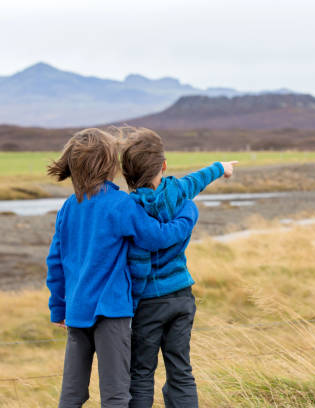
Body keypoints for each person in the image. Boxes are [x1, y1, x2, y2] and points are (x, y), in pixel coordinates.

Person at [45, 128, 199, 408]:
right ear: (109, 164)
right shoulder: (120, 204)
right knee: (116, 394)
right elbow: (157, 237)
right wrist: (188, 212)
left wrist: (58, 308)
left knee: (72, 394)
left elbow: (55, 262)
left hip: (76, 312)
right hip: (111, 314)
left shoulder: (68, 207)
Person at [120, 127, 236, 408]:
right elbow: (199, 179)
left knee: (141, 374)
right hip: (182, 296)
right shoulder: (180, 194)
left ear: (127, 173)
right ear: (164, 166)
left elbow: (135, 261)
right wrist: (221, 167)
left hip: (148, 302)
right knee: (181, 370)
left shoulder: (129, 208)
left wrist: (132, 303)